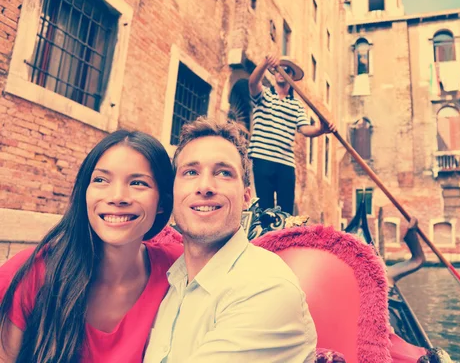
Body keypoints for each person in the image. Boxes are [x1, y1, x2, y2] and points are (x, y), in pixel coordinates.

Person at [143, 117, 317, 363]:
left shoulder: (267, 287)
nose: (205, 186)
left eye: (224, 173)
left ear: (247, 197)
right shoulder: (168, 279)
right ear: (173, 192)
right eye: (190, 172)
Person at [0, 130, 183, 363]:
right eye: (100, 180)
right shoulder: (31, 272)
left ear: (162, 203)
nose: (117, 197)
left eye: (138, 183)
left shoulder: (177, 269)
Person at [248, 55, 335, 214]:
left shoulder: (297, 105)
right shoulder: (264, 95)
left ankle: (284, 238)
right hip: (263, 158)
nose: (282, 72)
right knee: (265, 209)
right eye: (279, 69)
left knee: (286, 211)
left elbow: (305, 129)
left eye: (287, 70)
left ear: (292, 77)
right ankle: (266, 238)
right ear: (274, 73)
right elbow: (252, 83)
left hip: (286, 163)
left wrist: (321, 129)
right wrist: (265, 62)